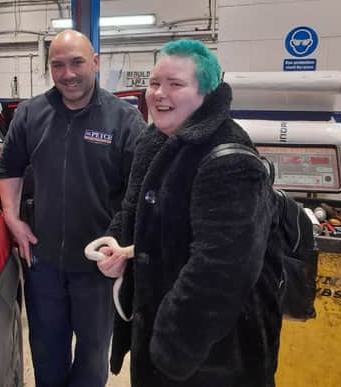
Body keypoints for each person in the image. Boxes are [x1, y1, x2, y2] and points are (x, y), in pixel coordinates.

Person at [96, 39, 283, 386]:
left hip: (213, 357)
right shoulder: (155, 142)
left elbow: (222, 272)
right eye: (154, 83)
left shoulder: (230, 160)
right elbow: (133, 211)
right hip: (160, 342)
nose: (158, 94)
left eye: (175, 84)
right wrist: (117, 246)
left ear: (206, 93)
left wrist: (170, 346)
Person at [0, 29, 145, 387]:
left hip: (97, 267)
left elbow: (139, 192)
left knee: (93, 355)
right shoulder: (32, 114)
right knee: (47, 351)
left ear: (95, 62)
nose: (68, 74)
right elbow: (9, 169)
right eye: (58, 65)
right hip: (42, 262)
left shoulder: (124, 121)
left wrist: (123, 248)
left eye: (77, 62)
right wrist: (12, 219)